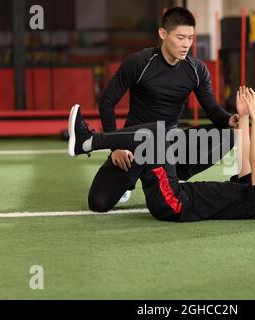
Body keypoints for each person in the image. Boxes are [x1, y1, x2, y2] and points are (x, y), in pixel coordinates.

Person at [68, 86, 255, 221]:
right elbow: (245, 159)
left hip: (174, 202)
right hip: (174, 196)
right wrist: (243, 117)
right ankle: (100, 153)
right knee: (156, 136)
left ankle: (89, 141)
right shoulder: (251, 196)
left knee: (155, 135)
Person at [89, 7, 239, 212]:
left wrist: (230, 119)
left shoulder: (196, 69)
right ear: (163, 34)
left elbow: (211, 108)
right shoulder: (139, 62)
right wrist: (115, 147)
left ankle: (174, 176)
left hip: (168, 146)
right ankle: (130, 181)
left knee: (227, 135)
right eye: (180, 37)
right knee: (98, 203)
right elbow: (106, 102)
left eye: (190, 38)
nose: (186, 44)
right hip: (134, 146)